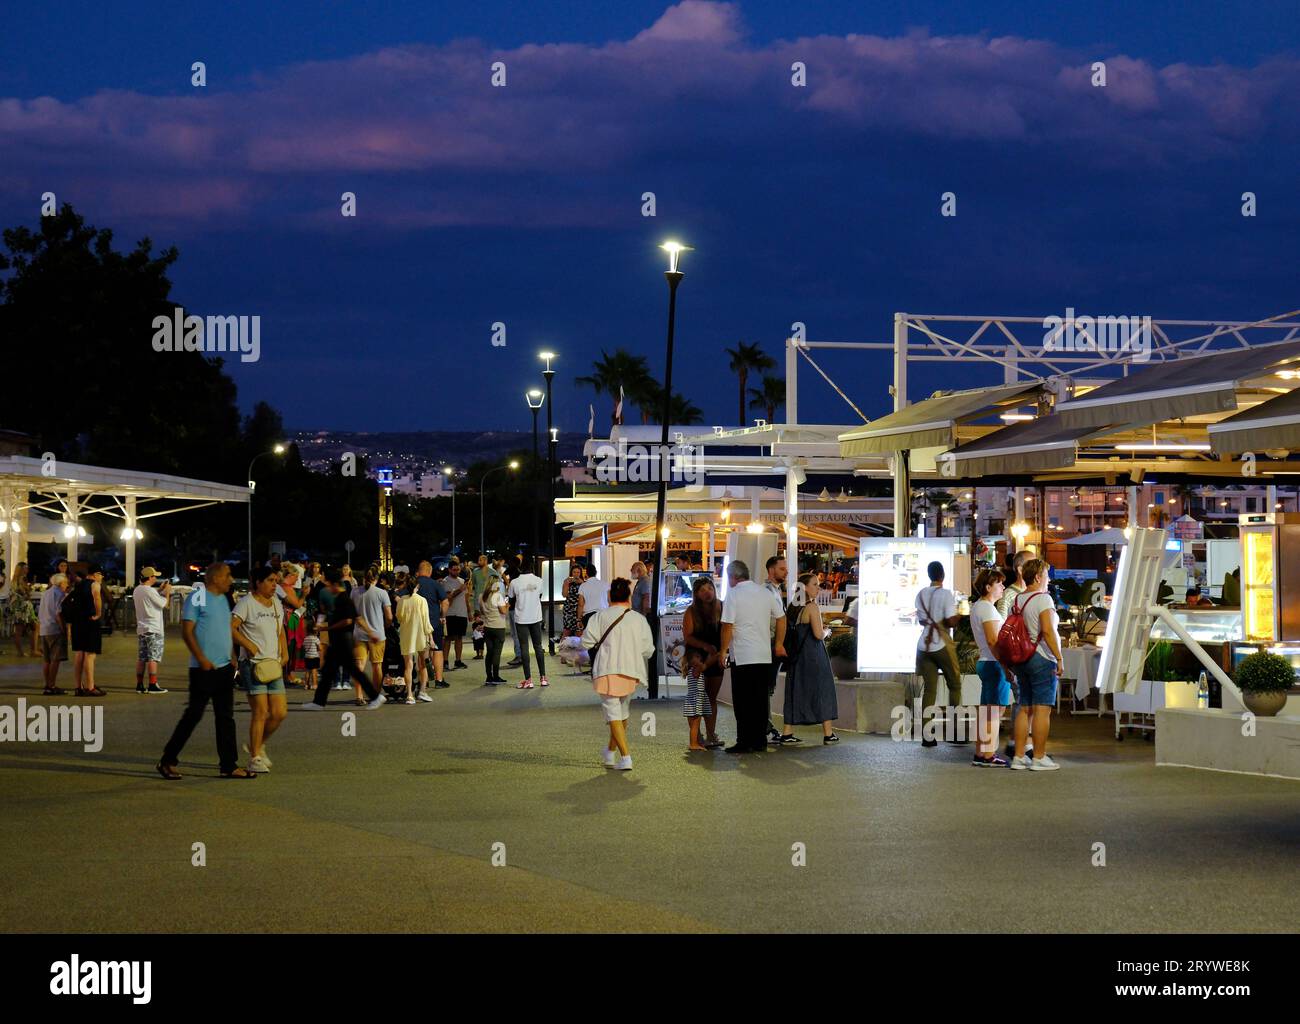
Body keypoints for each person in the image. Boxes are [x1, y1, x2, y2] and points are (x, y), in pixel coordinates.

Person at [156, 563, 256, 779]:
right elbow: (187, 631)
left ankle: (228, 765)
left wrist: (232, 656)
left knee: (225, 717)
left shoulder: (223, 600)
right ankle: (167, 760)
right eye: (227, 576)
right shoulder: (198, 597)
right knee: (193, 715)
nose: (231, 580)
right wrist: (201, 658)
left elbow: (224, 629)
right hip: (203, 669)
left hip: (224, 667)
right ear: (216, 578)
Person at [583, 577, 655, 770]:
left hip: (607, 669)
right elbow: (648, 649)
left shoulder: (599, 617)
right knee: (622, 714)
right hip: (631, 670)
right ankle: (609, 753)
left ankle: (626, 757)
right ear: (629, 597)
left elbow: (587, 642)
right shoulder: (638, 619)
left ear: (610, 596)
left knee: (614, 714)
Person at [719, 560, 786, 753]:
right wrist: (778, 643)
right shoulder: (765, 592)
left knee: (742, 701)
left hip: (742, 655)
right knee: (760, 700)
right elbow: (781, 618)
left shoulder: (733, 594)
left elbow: (727, 626)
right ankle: (759, 740)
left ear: (732, 576)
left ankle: (744, 741)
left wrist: (723, 651)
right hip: (763, 655)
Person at [303, 568, 386, 710]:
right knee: (329, 672)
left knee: (352, 671)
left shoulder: (343, 599)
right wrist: (370, 633)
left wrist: (326, 628)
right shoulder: (341, 598)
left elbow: (349, 620)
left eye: (329, 585)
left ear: (335, 584)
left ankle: (375, 696)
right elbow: (358, 618)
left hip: (343, 641)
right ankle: (318, 702)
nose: (328, 588)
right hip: (339, 641)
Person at [232, 566, 288, 772]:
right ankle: (254, 757)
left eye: (276, 581)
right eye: (270, 581)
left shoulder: (276, 604)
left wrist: (285, 652)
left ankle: (257, 744)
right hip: (252, 664)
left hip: (272, 664)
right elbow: (230, 627)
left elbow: (280, 631)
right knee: (261, 712)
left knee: (279, 713)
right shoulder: (246, 603)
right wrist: (247, 645)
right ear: (258, 582)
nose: (274, 585)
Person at [1010, 559, 1063, 771]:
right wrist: (1059, 657)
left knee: (1025, 707)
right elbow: (1048, 631)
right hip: (1041, 657)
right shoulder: (1043, 599)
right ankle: (1039, 757)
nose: (1048, 580)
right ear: (1038, 577)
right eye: (1047, 576)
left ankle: (1019, 756)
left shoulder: (1018, 599)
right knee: (1042, 709)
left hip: (1021, 658)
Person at [778, 573, 839, 744]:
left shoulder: (793, 607)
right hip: (814, 655)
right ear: (805, 587)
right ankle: (828, 733)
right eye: (815, 584)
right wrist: (827, 631)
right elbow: (818, 634)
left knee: (795, 690)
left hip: (796, 656)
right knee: (823, 690)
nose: (818, 588)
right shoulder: (812, 607)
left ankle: (787, 732)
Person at [915, 560, 962, 748]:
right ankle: (954, 731)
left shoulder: (921, 594)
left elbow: (921, 621)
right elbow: (951, 621)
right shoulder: (946, 594)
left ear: (929, 575)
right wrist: (961, 613)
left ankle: (927, 735)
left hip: (923, 645)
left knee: (929, 690)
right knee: (955, 685)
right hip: (941, 643)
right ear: (942, 575)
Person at [968, 568, 1011, 767]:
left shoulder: (979, 606)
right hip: (994, 663)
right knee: (995, 711)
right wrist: (1005, 665)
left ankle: (981, 753)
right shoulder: (987, 609)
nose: (1003, 587)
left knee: (987, 710)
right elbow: (993, 640)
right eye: (999, 583)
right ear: (988, 587)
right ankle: (988, 754)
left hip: (987, 661)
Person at [681, 575, 725, 749]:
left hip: (716, 657)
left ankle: (711, 734)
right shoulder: (691, 611)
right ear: (696, 594)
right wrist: (705, 646)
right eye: (703, 590)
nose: (708, 593)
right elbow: (688, 637)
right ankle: (696, 735)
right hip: (696, 657)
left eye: (710, 588)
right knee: (697, 697)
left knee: (711, 698)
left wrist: (721, 651)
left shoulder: (722, 607)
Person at [352, 567, 393, 697]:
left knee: (359, 665)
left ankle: (359, 696)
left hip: (359, 633)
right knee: (377, 666)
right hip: (377, 634)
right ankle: (375, 695)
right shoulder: (382, 593)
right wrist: (385, 626)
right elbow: (389, 616)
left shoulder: (354, 592)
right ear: (377, 578)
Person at [509, 558, 548, 688]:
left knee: (524, 647)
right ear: (532, 568)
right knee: (538, 646)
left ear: (520, 568)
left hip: (521, 618)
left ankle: (529, 680)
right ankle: (543, 678)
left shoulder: (514, 582)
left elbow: (511, 598)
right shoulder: (539, 580)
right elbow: (540, 595)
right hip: (535, 617)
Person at [762, 555, 788, 744]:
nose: (786, 572)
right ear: (771, 571)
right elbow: (776, 620)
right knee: (766, 688)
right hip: (769, 644)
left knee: (768, 688)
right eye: (782, 569)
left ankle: (766, 726)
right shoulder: (767, 592)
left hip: (772, 644)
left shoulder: (775, 590)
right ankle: (766, 727)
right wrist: (777, 643)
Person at [68, 564, 105, 697]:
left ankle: (78, 687)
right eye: (101, 575)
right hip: (90, 621)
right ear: (95, 574)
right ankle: (90, 687)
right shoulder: (94, 584)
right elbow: (97, 598)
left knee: (79, 654)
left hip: (77, 622)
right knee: (90, 655)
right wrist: (98, 613)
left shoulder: (78, 584)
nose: (102, 577)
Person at [132, 567, 171, 694]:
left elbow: (150, 597)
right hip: (153, 628)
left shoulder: (137, 589)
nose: (156, 578)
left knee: (142, 657)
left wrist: (160, 590)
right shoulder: (149, 591)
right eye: (154, 576)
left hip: (142, 628)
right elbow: (164, 604)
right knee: (153, 657)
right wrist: (167, 592)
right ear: (149, 577)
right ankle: (152, 685)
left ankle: (139, 685)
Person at [396, 578, 435, 703]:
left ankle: (409, 695)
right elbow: (426, 621)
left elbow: (399, 617)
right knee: (422, 664)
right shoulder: (422, 600)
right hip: (420, 635)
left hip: (406, 635)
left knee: (408, 666)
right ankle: (422, 691)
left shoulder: (402, 600)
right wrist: (431, 638)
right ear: (417, 586)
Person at [413, 561, 449, 688]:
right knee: (437, 650)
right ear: (430, 571)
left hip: (418, 624)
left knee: (422, 652)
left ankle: (424, 680)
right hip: (434, 622)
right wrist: (442, 616)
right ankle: (439, 680)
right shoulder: (435, 584)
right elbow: (445, 602)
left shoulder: (413, 584)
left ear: (419, 571)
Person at [39, 573, 71, 695]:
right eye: (66, 583)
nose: (67, 585)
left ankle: (47, 684)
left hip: (44, 629)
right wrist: (64, 629)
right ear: (60, 583)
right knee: (55, 659)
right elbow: (58, 614)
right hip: (54, 629)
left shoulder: (45, 593)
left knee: (46, 659)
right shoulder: (60, 594)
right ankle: (51, 685)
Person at [441, 559, 472, 669]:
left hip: (461, 613)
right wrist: (459, 589)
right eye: (454, 570)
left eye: (458, 569)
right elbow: (448, 597)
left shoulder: (462, 581)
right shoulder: (445, 582)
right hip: (450, 613)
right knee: (448, 638)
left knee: (459, 638)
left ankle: (458, 661)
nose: (457, 571)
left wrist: (469, 612)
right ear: (449, 570)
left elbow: (466, 598)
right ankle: (445, 662)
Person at [479, 575, 510, 684]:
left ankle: (489, 677)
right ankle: (496, 677)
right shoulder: (498, 596)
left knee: (489, 653)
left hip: (487, 627)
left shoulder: (481, 596)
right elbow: (503, 611)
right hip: (498, 627)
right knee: (497, 653)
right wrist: (507, 605)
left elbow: (482, 612)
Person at [7, 562, 37, 656]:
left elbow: (18, 592)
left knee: (21, 630)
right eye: (25, 568)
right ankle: (31, 651)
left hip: (18, 608)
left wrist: (29, 587)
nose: (27, 570)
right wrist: (30, 588)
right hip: (23, 608)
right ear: (20, 569)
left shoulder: (14, 580)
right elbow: (25, 594)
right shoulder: (22, 579)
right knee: (31, 628)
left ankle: (22, 652)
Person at [996, 551, 1030, 617]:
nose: (1036, 569)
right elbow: (1002, 622)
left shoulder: (1035, 591)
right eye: (1032, 565)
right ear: (1020, 570)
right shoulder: (1007, 596)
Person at [577, 565, 609, 629]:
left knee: (590, 635)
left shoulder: (583, 586)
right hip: (603, 615)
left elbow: (580, 604)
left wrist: (579, 620)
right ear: (596, 572)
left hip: (589, 616)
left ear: (586, 574)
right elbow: (610, 600)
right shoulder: (605, 584)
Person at [561, 563, 584, 636]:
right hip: (569, 608)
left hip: (579, 608)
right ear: (571, 572)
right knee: (567, 630)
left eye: (578, 572)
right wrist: (566, 584)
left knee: (579, 631)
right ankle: (563, 643)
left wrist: (582, 582)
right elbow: (564, 595)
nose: (576, 574)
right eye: (574, 572)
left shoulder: (583, 582)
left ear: (580, 573)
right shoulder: (567, 581)